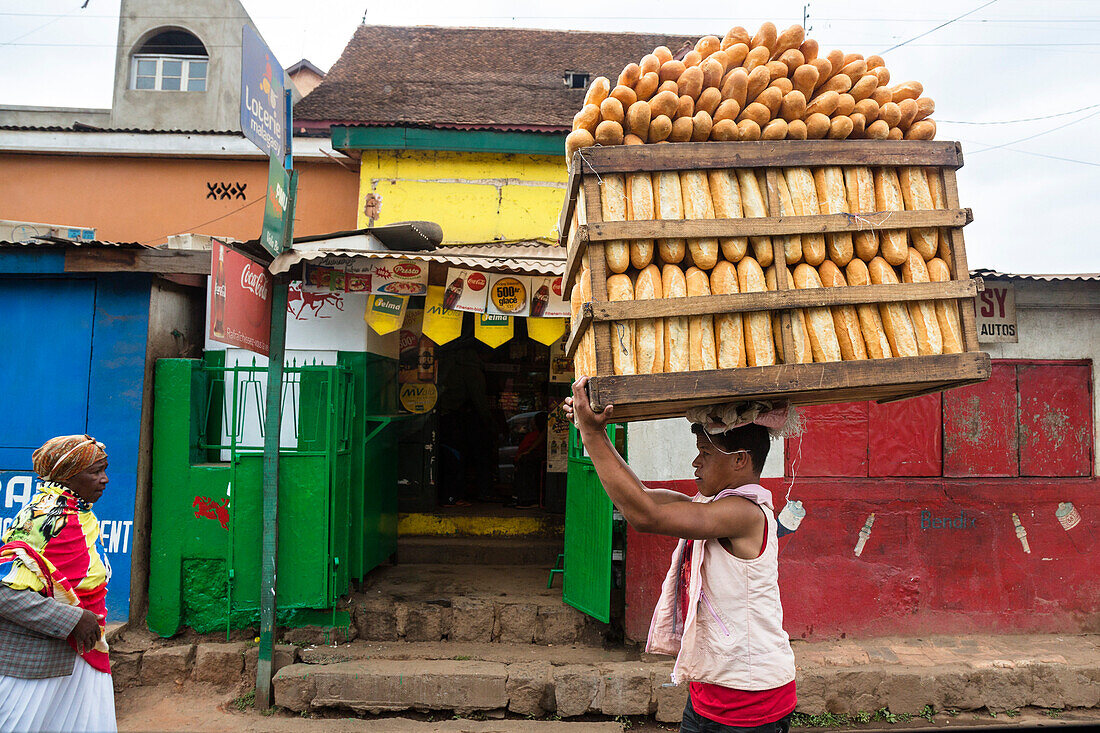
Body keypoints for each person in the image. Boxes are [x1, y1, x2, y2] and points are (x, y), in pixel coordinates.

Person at [564, 379, 796, 733]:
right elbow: (640, 496)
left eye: (705, 452)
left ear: (739, 461)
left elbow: (646, 516)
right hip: (709, 691)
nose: (695, 462)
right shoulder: (710, 506)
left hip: (751, 701)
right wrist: (592, 432)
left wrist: (594, 436)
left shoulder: (746, 513)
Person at [0, 435, 116, 732]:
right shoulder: (41, 522)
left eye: (105, 469)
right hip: (33, 663)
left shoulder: (79, 513)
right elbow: (5, 595)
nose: (104, 480)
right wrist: (72, 618)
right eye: (95, 472)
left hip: (84, 654)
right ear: (68, 476)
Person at [508, 411, 547, 509]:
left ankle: (528, 500)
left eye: (533, 421)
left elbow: (524, 451)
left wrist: (527, 452)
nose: (531, 423)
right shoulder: (537, 435)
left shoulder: (535, 436)